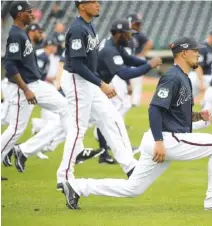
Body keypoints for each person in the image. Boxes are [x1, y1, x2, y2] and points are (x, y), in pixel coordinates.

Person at [61, 36, 212, 211]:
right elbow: (154, 109)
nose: (198, 54)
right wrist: (159, 142)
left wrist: (198, 116)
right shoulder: (173, 77)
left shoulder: (183, 77)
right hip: (165, 139)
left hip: (163, 138)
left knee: (133, 188)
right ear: (183, 53)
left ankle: (78, 187)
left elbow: (178, 116)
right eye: (195, 51)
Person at [56, 0, 143, 188]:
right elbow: (78, 65)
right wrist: (101, 83)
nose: (98, 4)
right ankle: (64, 177)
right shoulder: (78, 29)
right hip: (76, 81)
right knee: (78, 129)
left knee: (111, 117)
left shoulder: (90, 26)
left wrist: (97, 83)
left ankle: (129, 166)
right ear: (81, 6)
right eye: (93, 2)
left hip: (87, 81)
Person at [2, 1, 69, 175]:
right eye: (28, 11)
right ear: (19, 14)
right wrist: (25, 89)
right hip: (22, 87)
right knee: (16, 129)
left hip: (36, 84)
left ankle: (24, 150)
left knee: (66, 108)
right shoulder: (16, 35)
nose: (32, 14)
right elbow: (10, 66)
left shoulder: (22, 34)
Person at [93, 19, 162, 164]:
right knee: (71, 124)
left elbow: (129, 59)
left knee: (107, 119)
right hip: (90, 87)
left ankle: (110, 154)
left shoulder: (114, 44)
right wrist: (149, 65)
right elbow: (124, 74)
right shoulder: (109, 50)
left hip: (96, 86)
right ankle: (122, 153)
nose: (131, 37)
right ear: (119, 34)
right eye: (128, 34)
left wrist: (146, 63)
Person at [126, 13, 153, 107]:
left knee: (137, 82)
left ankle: (135, 102)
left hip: (136, 59)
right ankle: (128, 101)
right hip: (128, 59)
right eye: (136, 23)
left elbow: (149, 43)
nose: (139, 25)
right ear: (130, 23)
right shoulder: (124, 33)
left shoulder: (139, 34)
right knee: (127, 80)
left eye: (139, 23)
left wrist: (141, 54)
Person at [189, 30, 212, 97]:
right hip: (197, 76)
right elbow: (198, 65)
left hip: (202, 76)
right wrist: (201, 82)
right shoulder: (202, 47)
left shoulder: (210, 48)